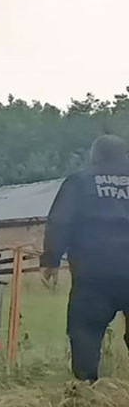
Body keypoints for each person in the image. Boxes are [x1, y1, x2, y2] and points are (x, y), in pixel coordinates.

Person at [41, 134, 129, 382]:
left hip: (94, 275)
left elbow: (60, 221)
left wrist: (50, 260)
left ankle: (86, 391)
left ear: (94, 156)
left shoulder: (80, 181)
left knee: (86, 333)